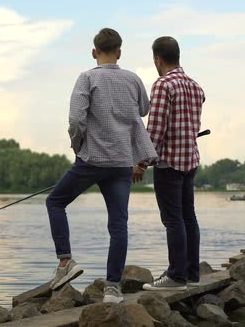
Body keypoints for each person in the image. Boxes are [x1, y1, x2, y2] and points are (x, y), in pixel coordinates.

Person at [46, 28, 157, 303]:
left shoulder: (87, 78)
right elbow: (144, 110)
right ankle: (112, 288)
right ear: (119, 52)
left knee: (55, 202)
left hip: (91, 159)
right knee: (118, 226)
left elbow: (75, 120)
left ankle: (65, 263)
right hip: (122, 164)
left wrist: (77, 145)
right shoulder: (133, 79)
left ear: (94, 52)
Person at [134, 36, 205, 291]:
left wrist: (141, 163)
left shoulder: (163, 85)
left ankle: (176, 276)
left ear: (158, 59)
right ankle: (191, 273)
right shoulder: (195, 86)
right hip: (190, 161)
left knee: (173, 220)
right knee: (189, 217)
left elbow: (155, 130)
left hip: (169, 164)